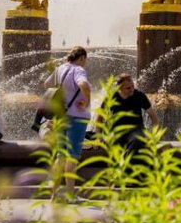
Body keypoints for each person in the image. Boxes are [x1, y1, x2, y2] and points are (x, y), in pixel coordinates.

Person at [43, 46, 92, 200]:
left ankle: (54, 195)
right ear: (82, 57)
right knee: (72, 157)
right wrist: (86, 102)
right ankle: (71, 195)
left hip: (61, 117)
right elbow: (84, 85)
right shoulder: (78, 70)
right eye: (85, 59)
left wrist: (62, 97)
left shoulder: (60, 69)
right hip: (76, 118)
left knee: (60, 156)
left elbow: (46, 84)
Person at [96, 73, 156, 156]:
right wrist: (99, 137)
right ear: (119, 88)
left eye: (133, 86)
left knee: (137, 140)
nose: (132, 89)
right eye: (128, 88)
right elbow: (99, 118)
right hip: (116, 130)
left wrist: (153, 136)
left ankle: (125, 160)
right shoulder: (111, 97)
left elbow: (153, 117)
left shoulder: (140, 96)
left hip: (135, 130)